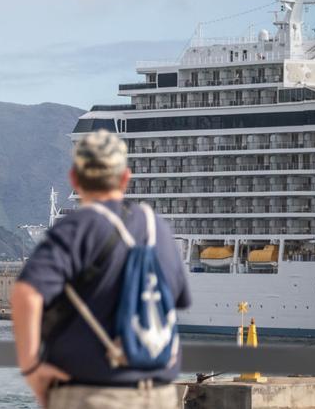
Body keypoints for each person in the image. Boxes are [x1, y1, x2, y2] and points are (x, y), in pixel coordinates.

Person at [12, 130, 191, 409]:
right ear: (125, 178)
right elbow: (176, 298)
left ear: (75, 180)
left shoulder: (75, 229)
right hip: (158, 395)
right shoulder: (158, 229)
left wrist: (31, 367)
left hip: (93, 395)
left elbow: (26, 294)